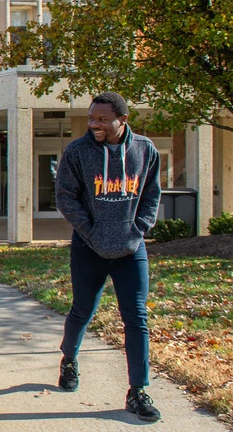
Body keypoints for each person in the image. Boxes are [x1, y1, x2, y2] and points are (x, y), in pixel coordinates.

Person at [55, 91, 161, 422]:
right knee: (82, 310)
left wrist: (138, 229)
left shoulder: (145, 150)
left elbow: (152, 194)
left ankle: (138, 391)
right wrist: (93, 233)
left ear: (122, 120)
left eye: (102, 120)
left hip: (131, 249)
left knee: (137, 318)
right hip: (89, 247)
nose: (94, 124)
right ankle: (69, 358)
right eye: (91, 118)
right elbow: (66, 198)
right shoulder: (77, 152)